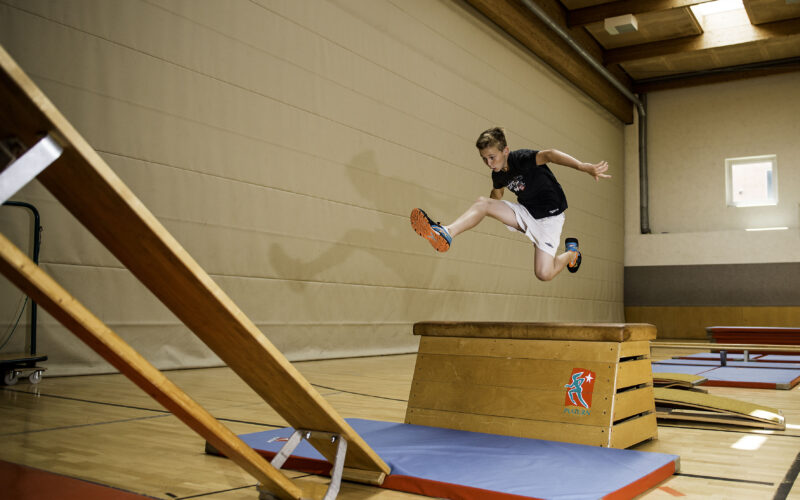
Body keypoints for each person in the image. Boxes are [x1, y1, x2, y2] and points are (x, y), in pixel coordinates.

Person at [410, 127, 610, 281]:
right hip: (526, 212)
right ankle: (445, 232)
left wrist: (582, 166)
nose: (489, 163)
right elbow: (495, 196)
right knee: (483, 203)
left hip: (550, 218)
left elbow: (549, 154)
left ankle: (572, 254)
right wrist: (486, 210)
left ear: (505, 151)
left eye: (492, 157)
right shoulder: (497, 174)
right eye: (484, 159)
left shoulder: (521, 158)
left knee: (544, 274)